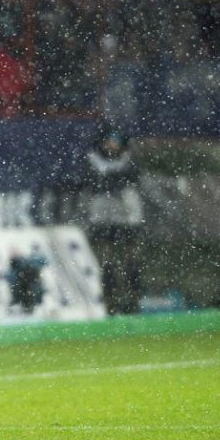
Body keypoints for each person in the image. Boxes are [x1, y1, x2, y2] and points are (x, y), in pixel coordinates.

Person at [76, 125, 145, 315]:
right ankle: (110, 302)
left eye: (116, 142)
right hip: (102, 215)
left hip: (127, 214)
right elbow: (89, 181)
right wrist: (111, 181)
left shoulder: (129, 159)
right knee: (106, 261)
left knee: (132, 260)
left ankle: (132, 300)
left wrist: (110, 181)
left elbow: (131, 178)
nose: (112, 146)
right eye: (109, 141)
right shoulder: (94, 160)